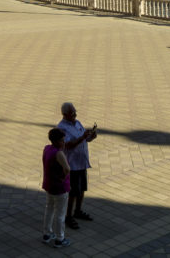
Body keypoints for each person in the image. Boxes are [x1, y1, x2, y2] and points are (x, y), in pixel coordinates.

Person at [57, 102, 97, 230]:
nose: (75, 114)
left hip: (82, 162)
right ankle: (68, 216)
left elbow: (84, 138)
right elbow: (68, 145)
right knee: (73, 192)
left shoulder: (78, 123)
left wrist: (91, 137)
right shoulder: (61, 128)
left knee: (82, 189)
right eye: (72, 112)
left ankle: (78, 211)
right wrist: (83, 137)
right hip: (72, 165)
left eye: (75, 111)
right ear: (65, 114)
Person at [42, 127, 72, 248]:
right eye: (62, 140)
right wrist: (63, 178)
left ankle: (47, 234)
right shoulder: (59, 153)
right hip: (60, 188)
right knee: (60, 213)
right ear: (56, 141)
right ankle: (60, 238)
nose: (64, 142)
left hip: (49, 185)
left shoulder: (47, 149)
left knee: (49, 209)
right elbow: (67, 169)